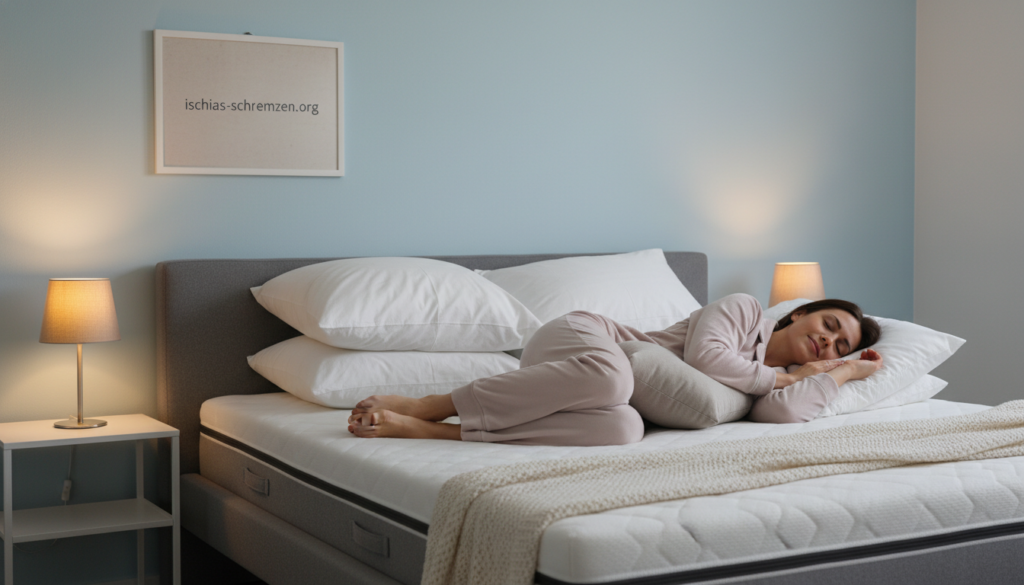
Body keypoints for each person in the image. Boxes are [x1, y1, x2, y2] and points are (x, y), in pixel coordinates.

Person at [347, 293, 882, 446]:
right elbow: (703, 359)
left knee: (623, 429)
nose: (827, 339)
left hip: (612, 397)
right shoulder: (742, 310)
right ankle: (428, 404)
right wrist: (784, 376)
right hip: (586, 342)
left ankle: (432, 431)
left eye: (838, 343)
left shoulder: (778, 379)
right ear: (798, 312)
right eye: (829, 322)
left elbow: (784, 417)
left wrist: (845, 374)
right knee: (612, 377)